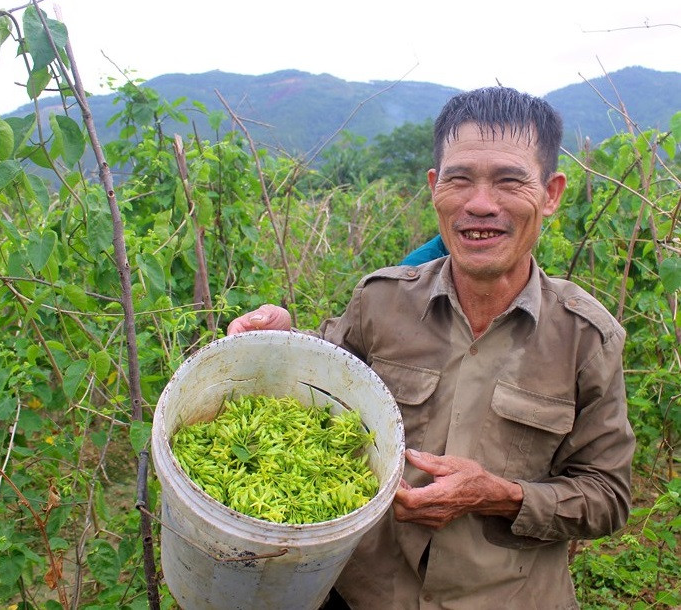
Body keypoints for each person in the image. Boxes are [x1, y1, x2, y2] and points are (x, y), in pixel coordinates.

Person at [227, 86, 635, 609]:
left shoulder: (586, 337)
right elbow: (318, 382)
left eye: (510, 181)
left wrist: (502, 495)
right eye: (459, 179)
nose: (480, 205)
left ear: (550, 194)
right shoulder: (382, 301)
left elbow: (608, 496)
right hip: (364, 594)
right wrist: (281, 339)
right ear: (434, 187)